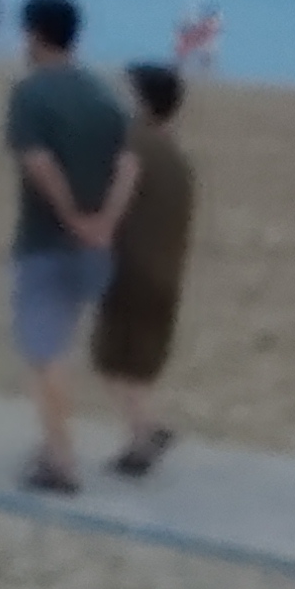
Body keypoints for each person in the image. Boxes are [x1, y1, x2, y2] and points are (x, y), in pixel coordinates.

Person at [0, 0, 139, 493]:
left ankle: (60, 461)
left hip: (48, 241)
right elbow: (128, 164)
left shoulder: (31, 94)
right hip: (97, 247)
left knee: (46, 354)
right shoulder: (104, 95)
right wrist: (105, 222)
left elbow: (39, 163)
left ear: (35, 34)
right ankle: (53, 443)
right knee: (62, 344)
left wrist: (74, 218)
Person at [91, 63, 199, 478]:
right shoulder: (176, 156)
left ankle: (144, 435)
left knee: (113, 360)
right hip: (166, 270)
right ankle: (147, 427)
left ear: (142, 101)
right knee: (137, 361)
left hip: (132, 268)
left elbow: (117, 203)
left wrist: (95, 235)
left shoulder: (134, 146)